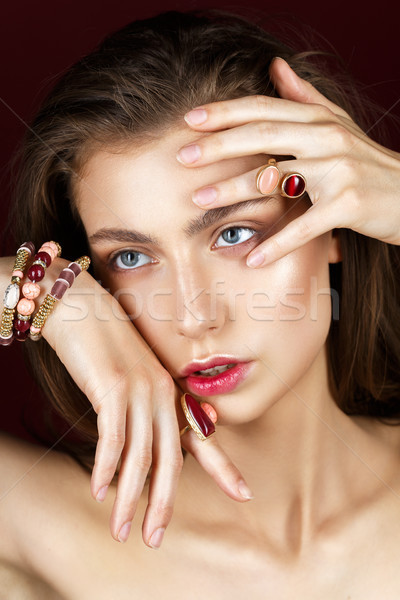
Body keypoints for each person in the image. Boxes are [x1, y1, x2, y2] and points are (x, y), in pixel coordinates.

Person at [1, 8, 400, 598]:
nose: (194, 315)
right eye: (132, 258)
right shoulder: (33, 528)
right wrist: (48, 294)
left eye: (234, 233)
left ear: (337, 220)